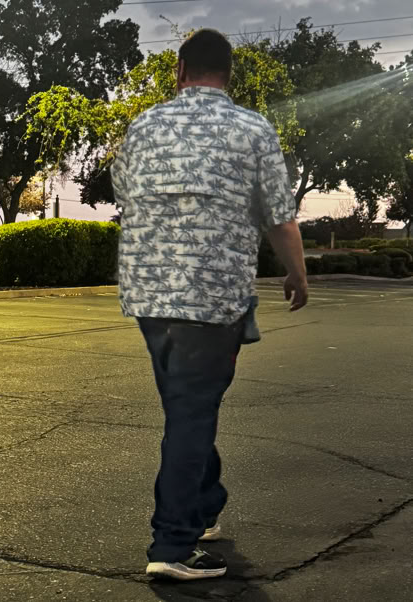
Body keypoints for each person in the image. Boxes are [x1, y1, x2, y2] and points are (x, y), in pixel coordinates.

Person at [111, 29, 308, 580]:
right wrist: (297, 273)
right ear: (229, 73)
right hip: (212, 293)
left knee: (187, 407)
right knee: (192, 413)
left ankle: (203, 505)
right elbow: (279, 215)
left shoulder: (143, 126)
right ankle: (172, 546)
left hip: (149, 293)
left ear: (179, 70)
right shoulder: (251, 128)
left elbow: (125, 192)